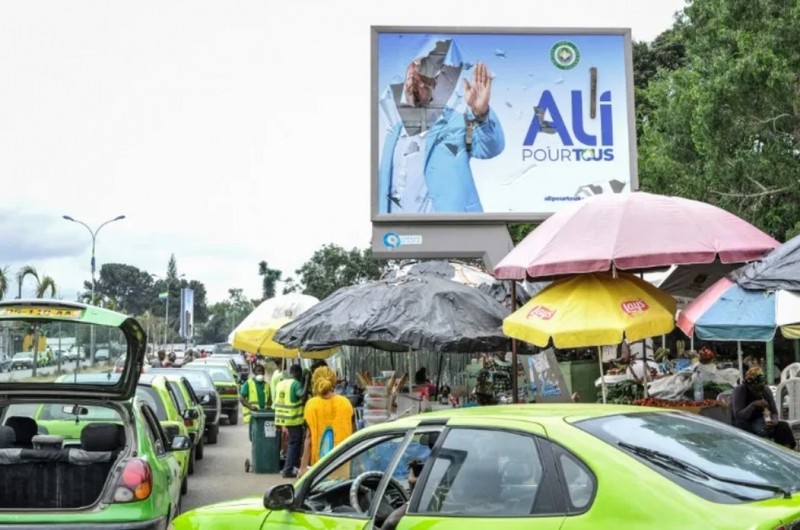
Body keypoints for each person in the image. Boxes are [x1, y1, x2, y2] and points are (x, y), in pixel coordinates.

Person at [378, 38, 505, 214]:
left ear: (434, 86)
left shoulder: (460, 124)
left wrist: (481, 114)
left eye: (420, 81)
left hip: (450, 232)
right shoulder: (394, 134)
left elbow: (490, 148)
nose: (412, 86)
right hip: (399, 236)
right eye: (409, 80)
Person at [298, 367, 354, 476]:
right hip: (343, 464)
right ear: (334, 381)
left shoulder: (311, 405)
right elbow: (353, 435)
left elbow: (308, 439)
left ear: (314, 381)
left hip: (320, 468)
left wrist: (303, 467)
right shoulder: (346, 403)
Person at [732, 367, 795, 449]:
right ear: (749, 386)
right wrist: (753, 405)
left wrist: (774, 421)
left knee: (783, 426)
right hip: (746, 422)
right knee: (741, 425)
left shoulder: (766, 391)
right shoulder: (740, 391)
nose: (760, 391)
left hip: (761, 423)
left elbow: (774, 412)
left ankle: (786, 450)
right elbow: (738, 415)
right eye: (757, 388)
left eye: (762, 387)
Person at [274, 364, 305, 478]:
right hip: (293, 418)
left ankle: (291, 467)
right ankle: (287, 470)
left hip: (283, 417)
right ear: (297, 373)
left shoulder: (281, 383)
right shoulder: (295, 384)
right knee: (294, 444)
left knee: (292, 443)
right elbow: (301, 395)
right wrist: (306, 382)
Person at [240, 363, 271, 439]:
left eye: (262, 371)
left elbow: (270, 400)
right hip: (253, 416)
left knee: (264, 437)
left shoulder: (267, 385)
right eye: (258, 371)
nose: (260, 373)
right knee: (255, 437)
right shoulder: (248, 383)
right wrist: (251, 407)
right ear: (254, 372)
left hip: (264, 416)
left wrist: (268, 407)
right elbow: (242, 399)